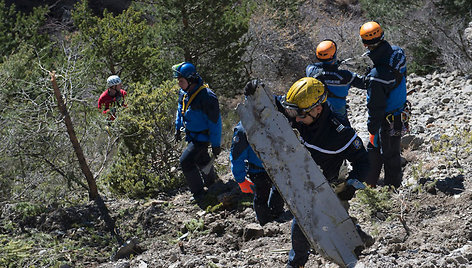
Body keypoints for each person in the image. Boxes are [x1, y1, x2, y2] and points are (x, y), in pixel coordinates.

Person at [244, 77, 373, 268]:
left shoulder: (340, 133)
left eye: (300, 115)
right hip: (304, 176)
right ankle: (357, 237)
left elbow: (364, 162)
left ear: (317, 109)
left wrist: (351, 185)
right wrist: (256, 90)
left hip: (331, 181)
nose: (295, 119)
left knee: (313, 220)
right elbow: (276, 106)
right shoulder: (298, 111)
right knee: (317, 220)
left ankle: (296, 263)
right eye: (293, 113)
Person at [359, 21, 408, 188]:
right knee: (393, 152)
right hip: (400, 113)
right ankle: (393, 186)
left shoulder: (376, 76)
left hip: (384, 120)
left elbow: (375, 107)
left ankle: (372, 187)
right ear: (383, 36)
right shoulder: (398, 53)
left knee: (375, 150)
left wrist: (372, 129)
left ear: (365, 43)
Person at [173, 62, 222, 202]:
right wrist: (178, 127)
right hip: (192, 135)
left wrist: (216, 144)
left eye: (181, 81)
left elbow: (215, 123)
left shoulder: (207, 97)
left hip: (202, 137)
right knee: (202, 159)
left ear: (190, 79)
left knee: (186, 162)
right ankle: (212, 183)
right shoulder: (184, 92)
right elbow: (180, 110)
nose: (179, 84)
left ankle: (199, 193)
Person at [230, 121, 285, 226]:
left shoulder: (274, 118)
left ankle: (277, 214)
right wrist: (240, 179)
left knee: (279, 190)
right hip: (258, 171)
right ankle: (265, 224)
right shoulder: (243, 129)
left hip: (277, 167)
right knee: (261, 196)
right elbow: (237, 156)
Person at [306, 39, 366, 124]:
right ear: (334, 55)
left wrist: (331, 65)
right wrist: (335, 66)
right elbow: (365, 83)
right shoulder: (346, 76)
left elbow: (318, 66)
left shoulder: (311, 71)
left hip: (319, 119)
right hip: (340, 120)